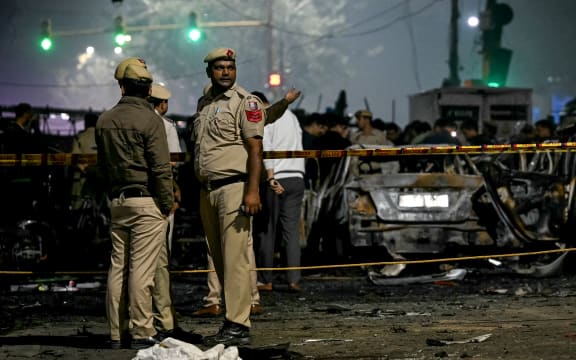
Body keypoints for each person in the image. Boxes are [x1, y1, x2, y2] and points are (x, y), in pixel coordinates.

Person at [95, 57, 174, 350]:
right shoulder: (151, 120)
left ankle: (116, 332)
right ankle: (142, 331)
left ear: (122, 86)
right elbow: (160, 168)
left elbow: (102, 167)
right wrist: (166, 204)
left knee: (118, 268)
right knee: (142, 271)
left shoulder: (104, 120)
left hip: (118, 202)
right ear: (149, 89)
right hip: (146, 202)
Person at [192, 47, 266, 346]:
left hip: (234, 187)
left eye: (230, 67)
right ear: (209, 71)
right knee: (221, 260)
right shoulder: (204, 103)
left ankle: (238, 323)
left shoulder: (246, 101)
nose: (226, 72)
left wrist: (252, 190)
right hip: (208, 190)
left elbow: (255, 149)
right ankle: (231, 320)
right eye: (220, 67)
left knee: (235, 260)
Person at [252, 91, 306, 293]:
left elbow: (267, 148)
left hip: (278, 177)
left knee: (268, 231)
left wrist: (271, 177)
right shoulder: (292, 117)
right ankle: (294, 280)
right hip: (297, 177)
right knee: (291, 233)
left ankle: (266, 279)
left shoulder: (267, 117)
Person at [147, 83, 185, 340]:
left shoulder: (123, 120)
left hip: (129, 197)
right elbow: (172, 164)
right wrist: (172, 191)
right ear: (163, 104)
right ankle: (164, 321)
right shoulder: (165, 126)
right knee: (160, 262)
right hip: (159, 199)